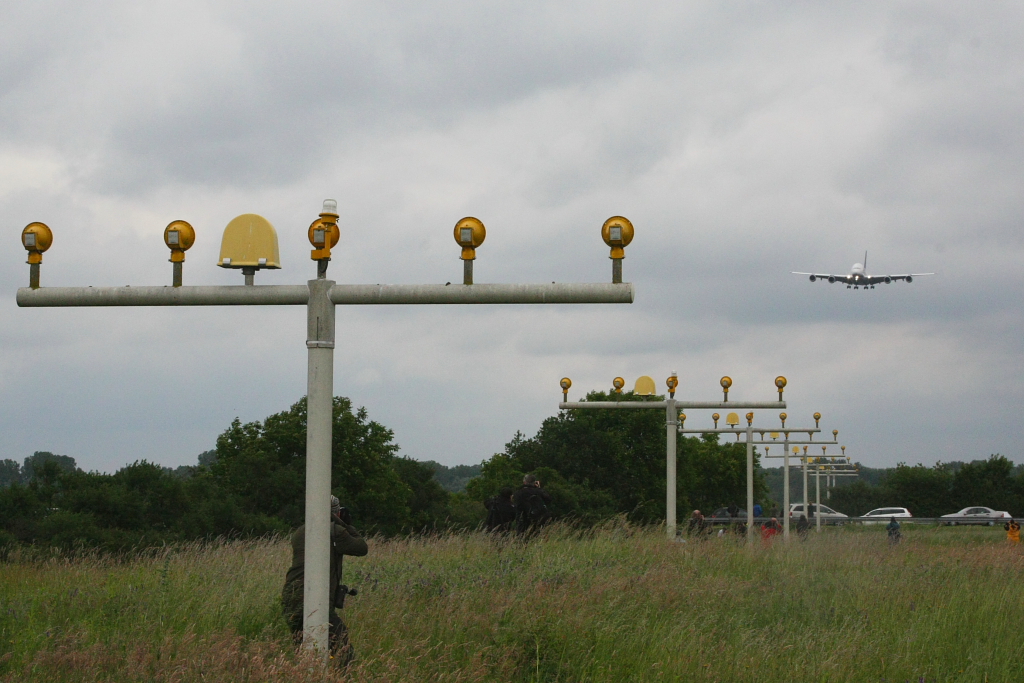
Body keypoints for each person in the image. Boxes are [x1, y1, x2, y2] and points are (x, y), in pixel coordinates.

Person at [281, 495, 368, 665]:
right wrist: (344, 523)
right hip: (316, 599)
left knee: (304, 651)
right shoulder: (336, 531)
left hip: (292, 596)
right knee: (343, 650)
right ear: (336, 513)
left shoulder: (301, 531)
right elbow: (361, 547)